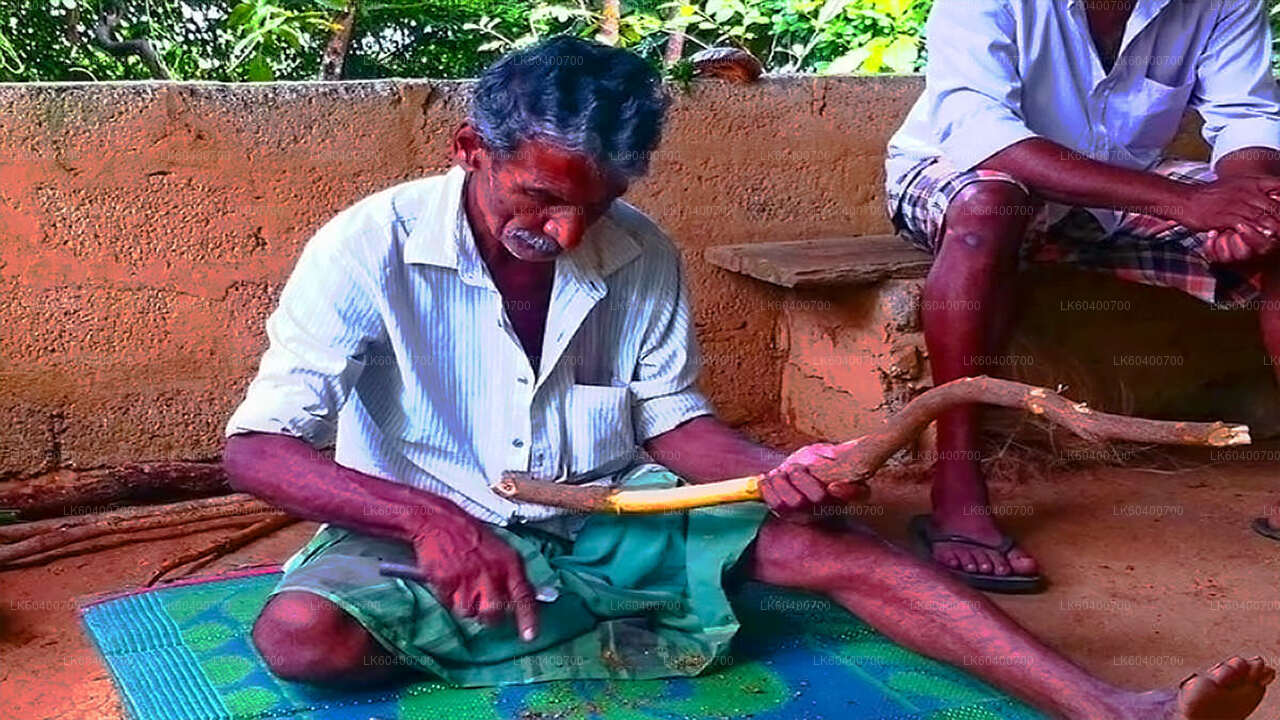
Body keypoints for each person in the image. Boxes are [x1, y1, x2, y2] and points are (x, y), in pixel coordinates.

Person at [223, 36, 1273, 720]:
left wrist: (777, 469)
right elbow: (256, 448)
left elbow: (674, 426)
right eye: (540, 197)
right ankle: (623, 612)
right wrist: (428, 521)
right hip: (421, 519)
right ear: (469, 149)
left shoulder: (639, 250)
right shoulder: (365, 248)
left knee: (837, 548)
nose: (569, 232)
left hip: (614, 510)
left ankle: (1113, 709)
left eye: (596, 205)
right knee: (301, 638)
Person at [885, 0, 1280, 592]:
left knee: (1278, 216)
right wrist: (1191, 204)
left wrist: (1247, 211)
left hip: (1122, 185)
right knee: (990, 206)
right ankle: (957, 484)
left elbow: (1247, 116)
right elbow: (982, 132)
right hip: (968, 172)